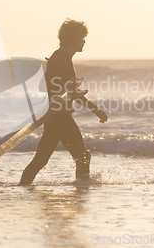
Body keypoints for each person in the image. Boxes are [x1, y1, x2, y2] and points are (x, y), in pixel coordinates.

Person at [19, 18, 108, 185]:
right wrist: (95, 109)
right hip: (58, 117)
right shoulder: (60, 59)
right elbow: (46, 85)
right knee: (82, 156)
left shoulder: (64, 57)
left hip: (57, 117)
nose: (84, 41)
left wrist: (69, 87)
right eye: (82, 38)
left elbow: (68, 91)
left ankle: (23, 186)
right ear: (74, 39)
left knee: (41, 161)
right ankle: (81, 190)